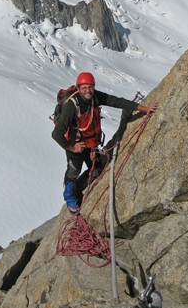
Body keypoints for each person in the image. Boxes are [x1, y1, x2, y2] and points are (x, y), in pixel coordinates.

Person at [52, 72, 158, 212]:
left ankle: (79, 187)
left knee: (96, 169)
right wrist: (72, 147)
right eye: (84, 88)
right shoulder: (72, 106)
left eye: (90, 87)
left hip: (90, 144)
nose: (88, 91)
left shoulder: (95, 97)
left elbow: (118, 101)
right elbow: (56, 134)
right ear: (78, 88)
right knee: (74, 171)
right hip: (76, 144)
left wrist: (145, 109)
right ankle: (70, 197)